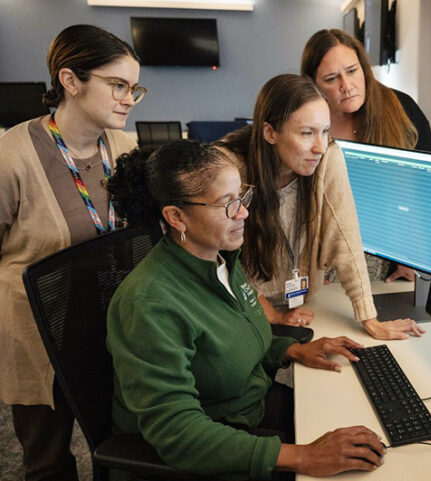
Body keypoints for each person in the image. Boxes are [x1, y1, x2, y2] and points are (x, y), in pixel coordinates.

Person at [106, 140, 386, 480]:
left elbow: (234, 339)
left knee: (354, 420)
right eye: (227, 205)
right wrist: (303, 456)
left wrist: (294, 348)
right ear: (176, 217)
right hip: (207, 448)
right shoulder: (149, 304)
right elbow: (177, 433)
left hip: (249, 410)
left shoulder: (219, 258)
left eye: (242, 196)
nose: (243, 213)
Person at [0, 25, 143, 481]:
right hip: (38, 334)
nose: (129, 99)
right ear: (70, 80)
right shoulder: (12, 157)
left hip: (110, 326)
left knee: (118, 445)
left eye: (134, 88)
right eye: (117, 85)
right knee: (47, 461)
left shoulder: (124, 147)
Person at [217, 74, 424, 341]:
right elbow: (217, 257)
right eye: (306, 133)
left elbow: (346, 238)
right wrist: (269, 312)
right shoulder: (229, 167)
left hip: (302, 304)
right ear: (270, 132)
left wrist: (369, 318)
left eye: (325, 131)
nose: (320, 146)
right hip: (239, 305)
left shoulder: (328, 157)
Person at [301, 28, 431, 283]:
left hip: (387, 257)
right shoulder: (307, 121)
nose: (347, 86)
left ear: (363, 68)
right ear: (313, 85)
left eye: (352, 71)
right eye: (331, 78)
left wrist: (412, 256)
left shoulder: (402, 110)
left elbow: (427, 192)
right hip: (321, 256)